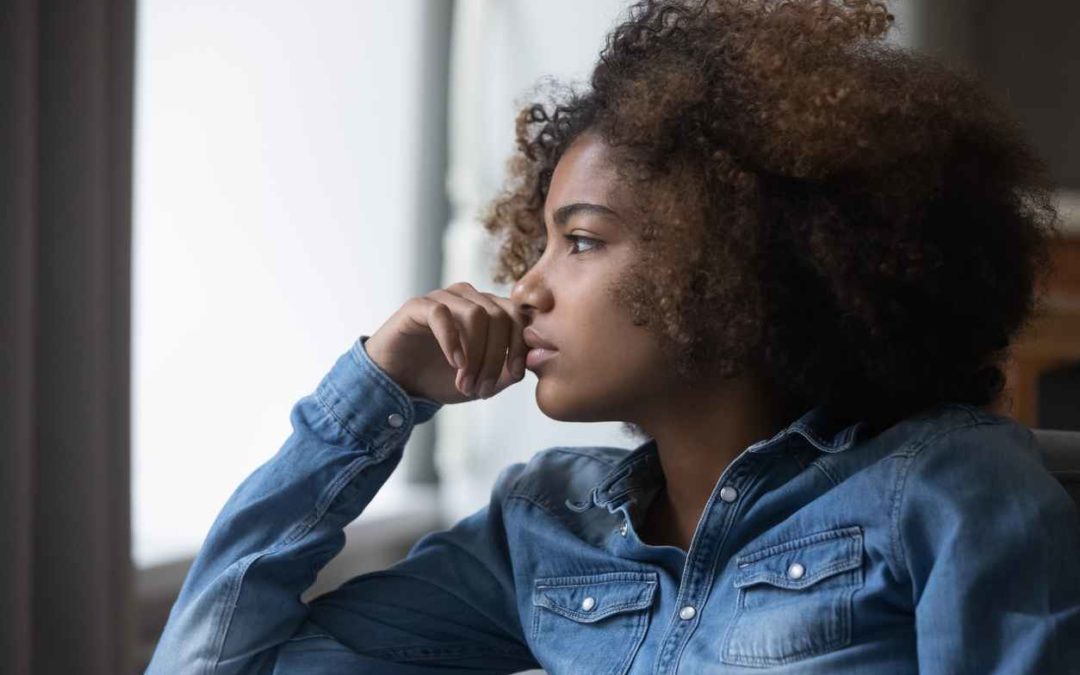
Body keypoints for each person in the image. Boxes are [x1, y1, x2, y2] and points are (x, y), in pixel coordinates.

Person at [146, 0, 1080, 673]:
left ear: (738, 265)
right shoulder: (544, 529)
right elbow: (214, 662)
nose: (529, 286)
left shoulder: (947, 486)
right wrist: (378, 390)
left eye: (582, 240)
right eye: (541, 237)